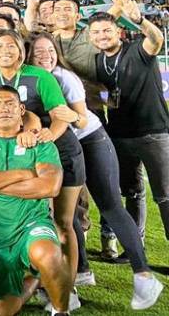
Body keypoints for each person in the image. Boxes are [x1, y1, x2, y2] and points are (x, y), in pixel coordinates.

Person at [29, 31, 163, 308]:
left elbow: (79, 121)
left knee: (109, 204)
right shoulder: (27, 78)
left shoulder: (65, 77)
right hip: (61, 148)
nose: (46, 56)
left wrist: (70, 116)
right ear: (29, 55)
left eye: (50, 51)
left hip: (90, 139)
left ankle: (143, 274)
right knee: (65, 214)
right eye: (39, 52)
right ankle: (81, 273)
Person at [0, 29, 85, 301]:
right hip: (28, 160)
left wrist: (47, 137)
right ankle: (45, 279)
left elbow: (61, 117)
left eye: (11, 46)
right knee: (41, 223)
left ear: (22, 50)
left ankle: (69, 286)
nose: (5, 51)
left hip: (61, 153)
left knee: (64, 223)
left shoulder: (41, 76)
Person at [0, 86, 72, 315]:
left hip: (32, 223)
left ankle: (61, 310)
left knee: (49, 255)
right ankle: (36, 278)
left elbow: (50, 186)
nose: (3, 109)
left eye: (10, 103)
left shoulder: (41, 143)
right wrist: (24, 174)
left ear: (21, 110)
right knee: (4, 310)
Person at [89, 6, 169, 246]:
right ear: (91, 37)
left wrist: (141, 20)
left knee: (165, 196)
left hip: (153, 133)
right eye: (96, 32)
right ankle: (136, 245)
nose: (102, 35)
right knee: (132, 193)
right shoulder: (98, 60)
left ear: (119, 31)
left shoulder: (137, 50)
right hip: (120, 136)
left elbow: (156, 39)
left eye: (106, 30)